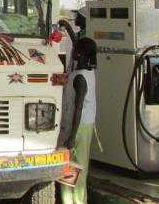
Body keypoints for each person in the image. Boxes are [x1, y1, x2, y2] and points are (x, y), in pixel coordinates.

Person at [58, 37, 97, 204]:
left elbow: (78, 107)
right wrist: (69, 29)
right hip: (86, 124)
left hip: (78, 126)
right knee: (78, 165)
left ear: (79, 54)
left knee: (71, 167)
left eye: (75, 49)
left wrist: (72, 135)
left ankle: (72, 200)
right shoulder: (88, 72)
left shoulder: (80, 77)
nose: (72, 51)